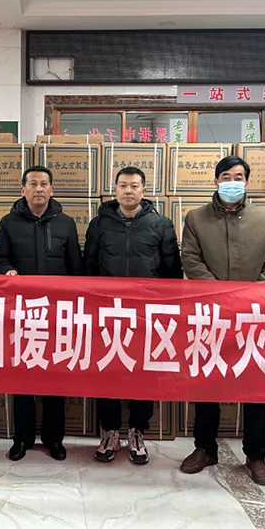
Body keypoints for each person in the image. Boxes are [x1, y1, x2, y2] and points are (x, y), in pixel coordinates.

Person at [178, 156, 265, 486]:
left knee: (254, 386)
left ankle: (256, 454)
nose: (233, 182)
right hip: (210, 315)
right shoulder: (195, 218)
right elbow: (190, 259)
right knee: (207, 383)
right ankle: (204, 448)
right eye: (226, 176)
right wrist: (221, 297)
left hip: (254, 316)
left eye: (239, 177)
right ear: (216, 181)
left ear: (247, 182)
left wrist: (249, 298)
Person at [83, 166, 183, 465]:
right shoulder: (99, 224)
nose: (128, 190)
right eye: (123, 185)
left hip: (146, 314)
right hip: (107, 313)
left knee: (143, 373)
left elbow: (172, 271)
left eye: (134, 186)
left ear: (143, 190)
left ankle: (138, 431)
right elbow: (88, 268)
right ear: (115, 190)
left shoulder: (160, 224)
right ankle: (110, 431)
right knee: (107, 371)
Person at [0, 166, 84, 462]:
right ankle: (22, 438)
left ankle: (54, 439)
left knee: (55, 377)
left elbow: (75, 267)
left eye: (44, 184)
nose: (39, 188)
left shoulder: (65, 223)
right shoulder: (8, 223)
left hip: (57, 313)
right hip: (21, 312)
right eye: (33, 184)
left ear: (52, 190)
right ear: (23, 190)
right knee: (22, 378)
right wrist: (7, 271)